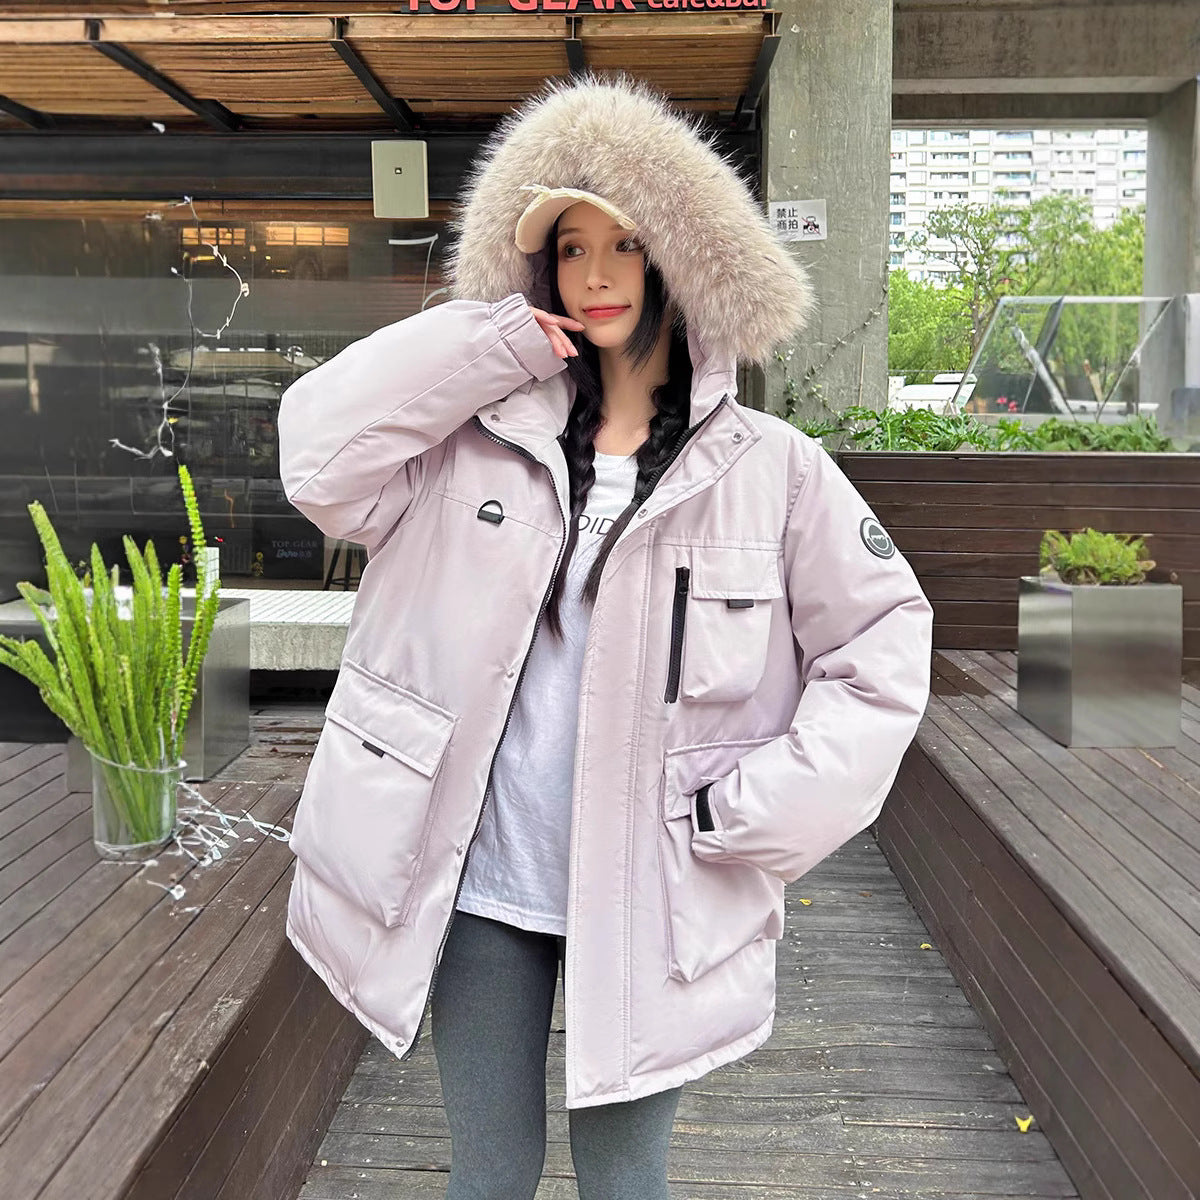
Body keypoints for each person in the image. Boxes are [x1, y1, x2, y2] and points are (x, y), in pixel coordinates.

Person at [277, 74, 934, 1200]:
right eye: (569, 247)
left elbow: (881, 653)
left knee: (626, 1182)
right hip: (485, 884)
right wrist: (486, 343)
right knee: (490, 1172)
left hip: (658, 894)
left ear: (682, 259)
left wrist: (745, 814)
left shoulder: (772, 472)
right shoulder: (464, 449)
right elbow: (317, 458)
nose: (595, 272)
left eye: (625, 243)